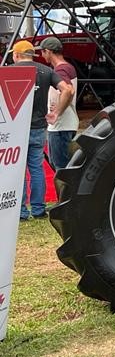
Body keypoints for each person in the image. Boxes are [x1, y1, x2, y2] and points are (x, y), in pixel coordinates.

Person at [11, 40, 74, 220]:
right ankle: (38, 209)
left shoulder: (9, 72)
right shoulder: (46, 71)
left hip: (17, 128)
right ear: (32, 55)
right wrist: (56, 113)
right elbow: (67, 90)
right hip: (39, 127)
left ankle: (21, 211)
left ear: (16, 55)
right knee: (37, 168)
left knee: (18, 170)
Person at [39, 36, 79, 170]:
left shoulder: (60, 70)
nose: (42, 55)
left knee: (61, 168)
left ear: (48, 51)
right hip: (66, 125)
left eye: (42, 52)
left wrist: (56, 112)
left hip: (60, 127)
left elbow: (68, 90)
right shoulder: (68, 67)